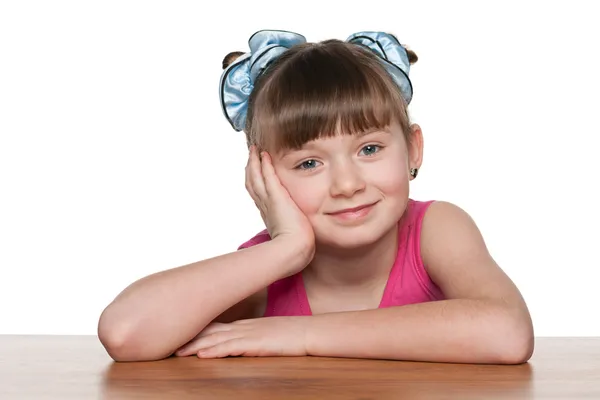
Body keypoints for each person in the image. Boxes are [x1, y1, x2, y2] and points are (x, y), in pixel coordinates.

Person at [98, 29, 534, 364]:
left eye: (369, 149)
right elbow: (125, 332)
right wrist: (287, 248)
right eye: (309, 163)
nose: (347, 185)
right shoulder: (267, 266)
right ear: (263, 175)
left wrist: (301, 334)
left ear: (413, 149)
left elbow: (507, 332)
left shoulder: (436, 229)